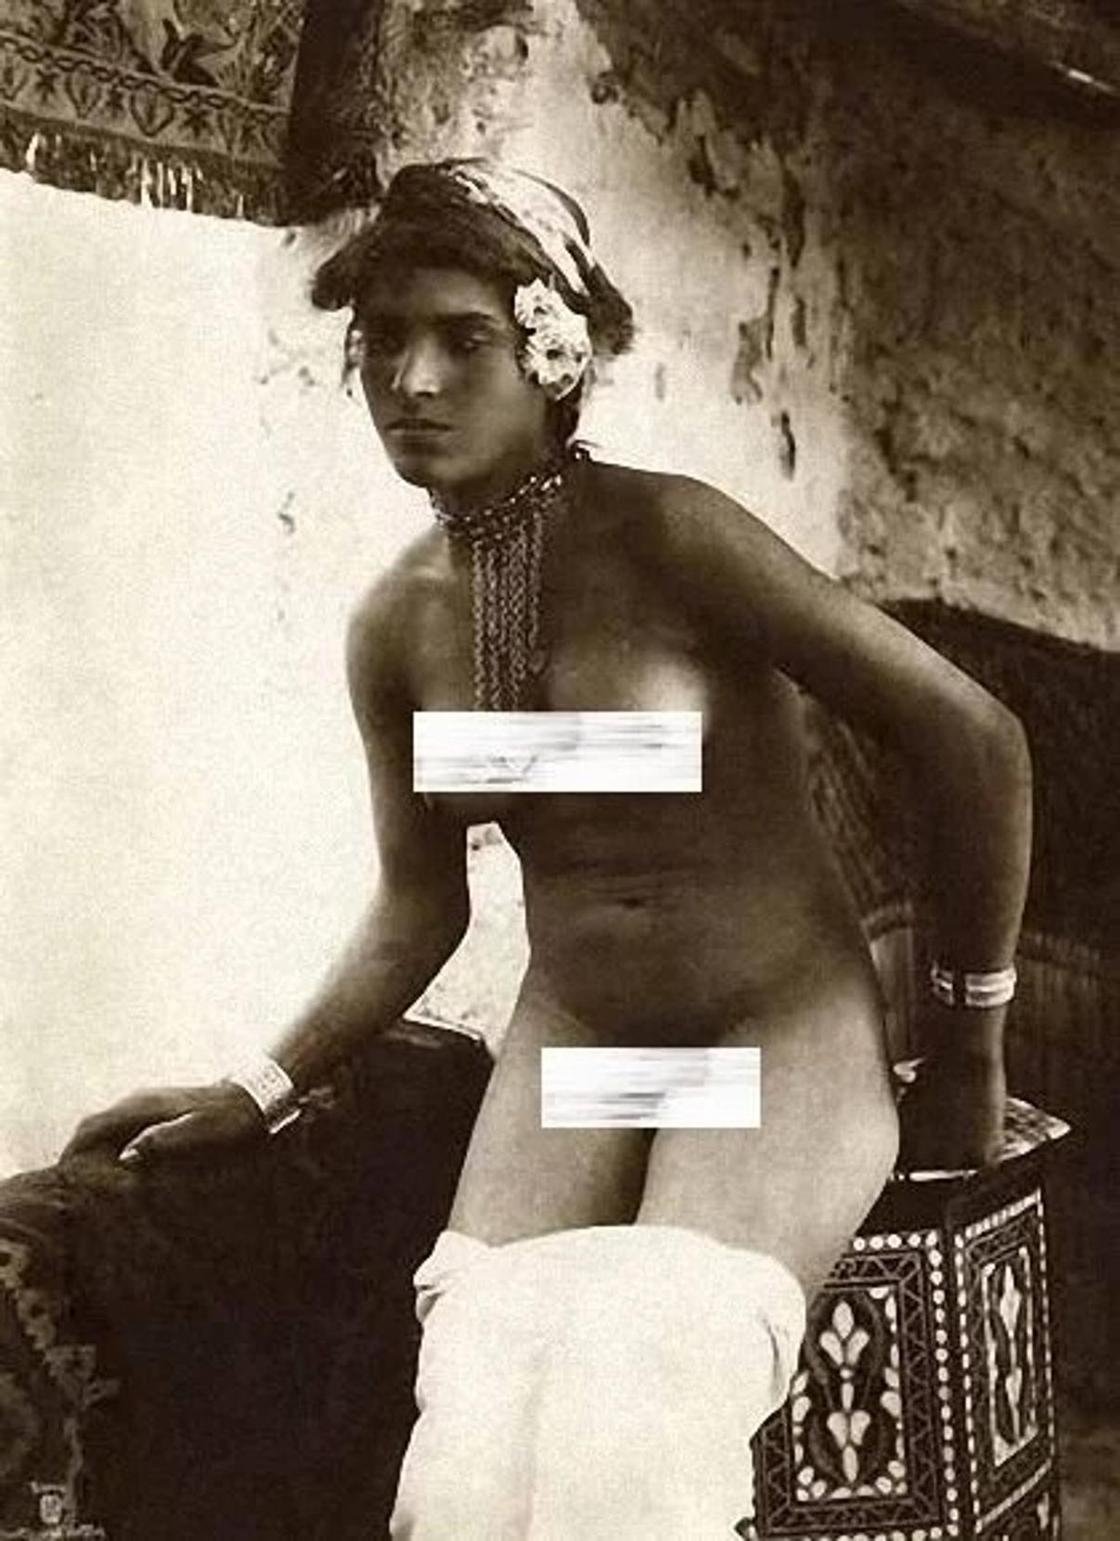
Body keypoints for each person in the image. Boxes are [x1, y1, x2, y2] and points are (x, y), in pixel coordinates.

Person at [62, 160, 1032, 1536]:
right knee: (474, 1424)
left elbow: (975, 741)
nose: (412, 380)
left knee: (640, 1401)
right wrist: (258, 1086)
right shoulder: (396, 627)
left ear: (553, 354)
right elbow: (419, 905)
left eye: (463, 339)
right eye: (382, 342)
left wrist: (971, 1041)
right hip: (583, 1047)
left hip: (767, 1031)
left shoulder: (676, 536)